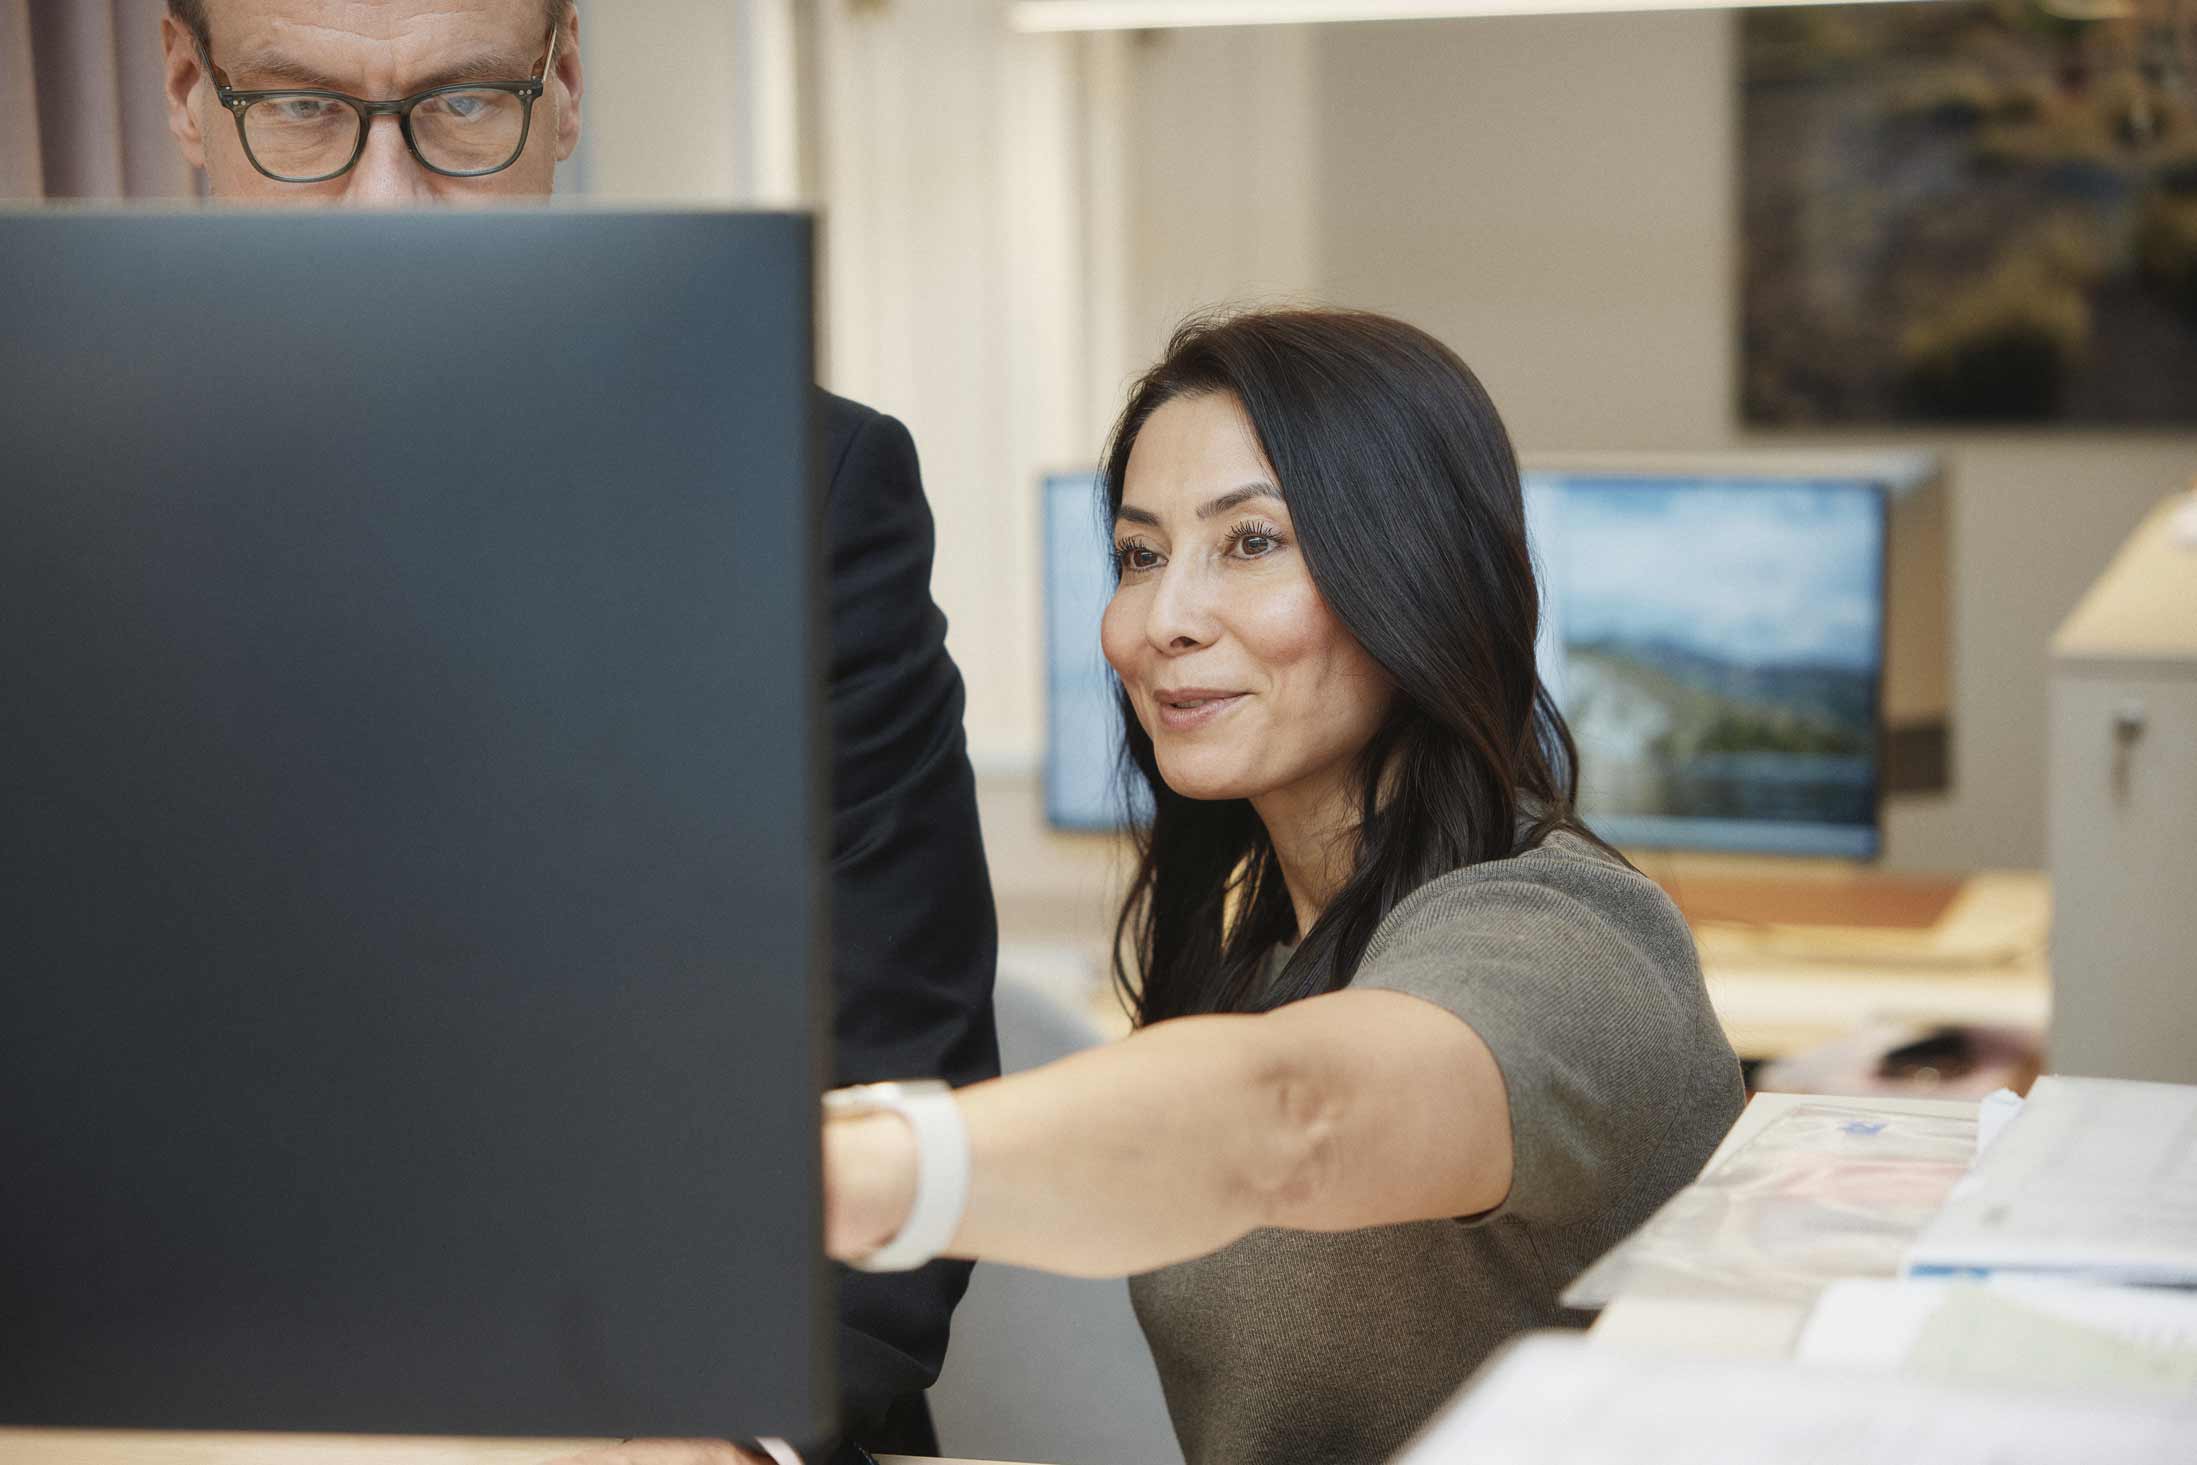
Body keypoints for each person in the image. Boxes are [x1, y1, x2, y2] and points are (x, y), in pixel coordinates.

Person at [154, 5, 1002, 1463]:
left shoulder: (806, 487)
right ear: (187, 90)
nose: (387, 204)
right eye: (298, 111)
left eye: (461, 108)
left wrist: (725, 1438)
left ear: (560, 93)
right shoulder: (52, 485)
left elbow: (894, 1069)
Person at [817, 309, 1747, 1465]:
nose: (1162, 621)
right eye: (1139, 555)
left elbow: (1292, 1116)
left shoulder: (1564, 939)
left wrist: (856, 1168)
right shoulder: (1253, 960)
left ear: (1418, 573)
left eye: (1250, 543)